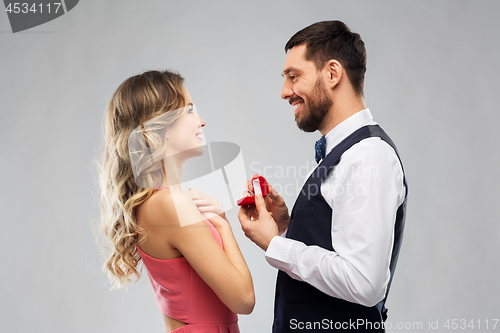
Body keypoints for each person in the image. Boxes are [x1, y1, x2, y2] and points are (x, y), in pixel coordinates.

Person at [238, 20, 408, 332]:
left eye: (293, 77)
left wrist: (276, 244)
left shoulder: (367, 156)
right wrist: (288, 227)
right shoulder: (346, 153)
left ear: (332, 73)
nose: (284, 92)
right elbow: (335, 248)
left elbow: (364, 283)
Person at [97, 70, 254, 333]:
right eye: (190, 110)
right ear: (161, 126)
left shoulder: (158, 201)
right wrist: (225, 228)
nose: (202, 121)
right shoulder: (171, 204)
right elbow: (244, 299)